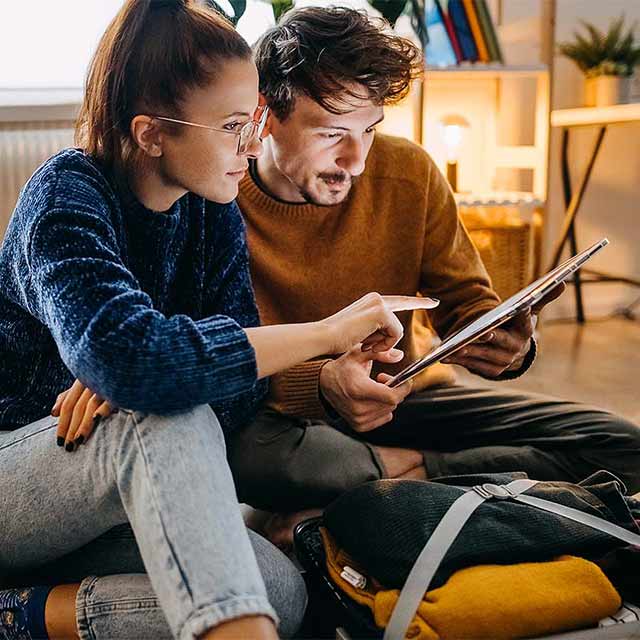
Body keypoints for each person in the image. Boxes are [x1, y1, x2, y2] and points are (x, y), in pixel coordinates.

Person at [0, 2, 436, 639]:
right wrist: (325, 334)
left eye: (255, 118)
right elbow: (137, 364)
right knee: (156, 415)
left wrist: (151, 367)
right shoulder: (64, 197)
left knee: (281, 593)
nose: (253, 144)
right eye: (234, 125)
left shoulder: (212, 214)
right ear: (152, 134)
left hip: (98, 504)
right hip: (18, 481)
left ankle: (20, 614)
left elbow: (237, 399)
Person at [225, 5, 640, 545]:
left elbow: (465, 302)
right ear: (266, 115)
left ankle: (399, 479)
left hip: (401, 399)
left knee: (621, 445)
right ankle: (417, 486)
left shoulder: (409, 173)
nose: (354, 160)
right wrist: (322, 384)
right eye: (332, 133)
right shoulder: (219, 197)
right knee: (236, 450)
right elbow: (215, 358)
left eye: (370, 130)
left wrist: (504, 342)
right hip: (278, 415)